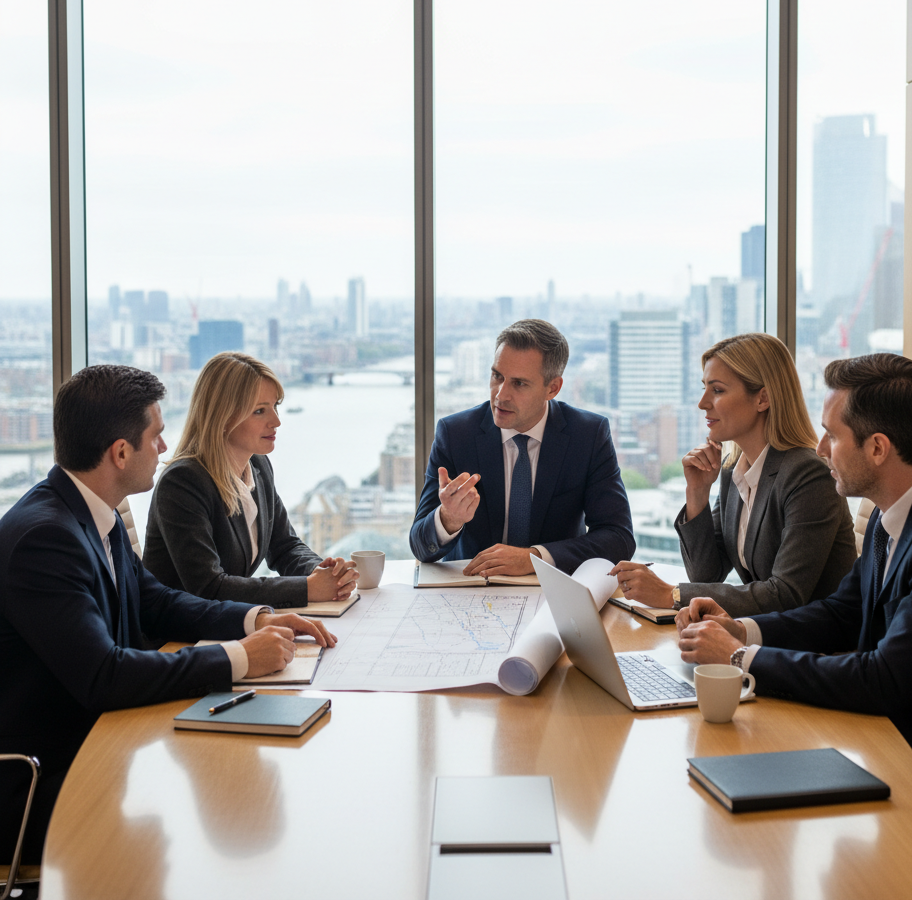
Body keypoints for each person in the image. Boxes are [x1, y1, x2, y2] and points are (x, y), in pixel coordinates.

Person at [676, 353, 912, 876]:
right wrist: (740, 627)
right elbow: (841, 613)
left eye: (832, 436)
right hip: (894, 747)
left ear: (878, 448)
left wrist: (743, 657)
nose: (820, 450)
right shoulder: (900, 515)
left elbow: (883, 679)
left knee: (748, 838)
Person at [0, 364, 335, 863]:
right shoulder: (44, 538)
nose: (164, 447)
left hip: (105, 744)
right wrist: (238, 658)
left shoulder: (92, 513)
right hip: (46, 784)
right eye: (155, 436)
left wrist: (256, 619)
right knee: (220, 827)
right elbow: (103, 674)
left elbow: (156, 601)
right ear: (119, 452)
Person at [611, 333, 856, 616]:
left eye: (717, 390)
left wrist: (671, 594)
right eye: (704, 389)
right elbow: (706, 574)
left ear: (762, 398)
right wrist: (698, 494)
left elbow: (786, 594)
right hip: (764, 637)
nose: (702, 403)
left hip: (819, 647)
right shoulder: (733, 470)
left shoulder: (807, 474)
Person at [409, 319, 635, 575]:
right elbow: (419, 545)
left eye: (519, 383)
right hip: (473, 594)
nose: (500, 395)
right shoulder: (456, 434)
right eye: (497, 376)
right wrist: (448, 520)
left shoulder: (588, 435)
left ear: (553, 388)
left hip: (555, 596)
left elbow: (619, 539)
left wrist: (533, 558)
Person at [144, 352, 357, 607]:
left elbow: (284, 546)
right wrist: (307, 588)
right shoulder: (182, 483)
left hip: (226, 625)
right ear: (222, 417)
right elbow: (209, 587)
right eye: (259, 411)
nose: (276, 421)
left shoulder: (257, 465)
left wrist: (323, 573)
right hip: (177, 638)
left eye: (274, 406)